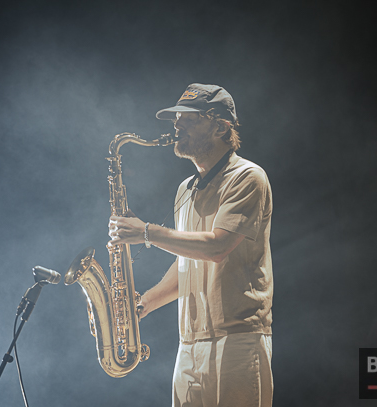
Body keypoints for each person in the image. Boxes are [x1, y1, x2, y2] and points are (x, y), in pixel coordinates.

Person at [109, 83, 273, 407]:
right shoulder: (185, 189)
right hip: (189, 345)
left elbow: (216, 248)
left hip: (238, 340)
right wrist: (142, 305)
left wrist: (146, 232)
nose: (176, 125)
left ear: (221, 126)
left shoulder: (247, 177)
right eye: (176, 118)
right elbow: (189, 263)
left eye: (188, 119)